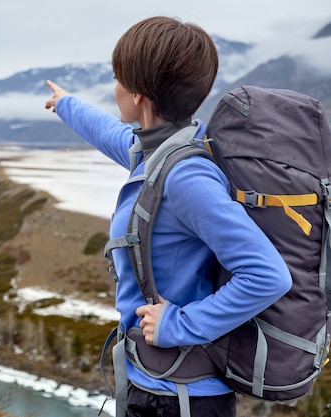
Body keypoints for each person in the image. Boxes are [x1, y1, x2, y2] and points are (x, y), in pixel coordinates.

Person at [44, 16, 291, 417]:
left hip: (182, 398)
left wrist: (177, 324)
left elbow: (268, 275)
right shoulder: (159, 149)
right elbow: (111, 132)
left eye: (118, 78)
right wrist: (66, 105)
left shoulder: (185, 176)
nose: (114, 87)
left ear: (138, 94)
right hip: (155, 383)